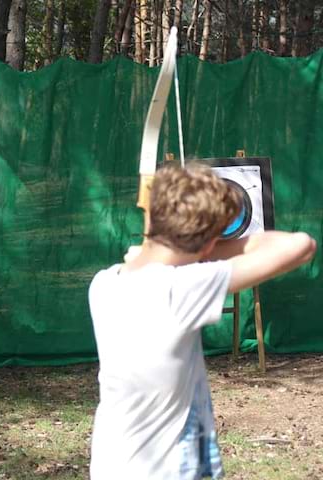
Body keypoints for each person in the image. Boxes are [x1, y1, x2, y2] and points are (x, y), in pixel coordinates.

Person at [88, 163, 316, 480]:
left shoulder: (104, 283)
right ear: (209, 242)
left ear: (151, 216)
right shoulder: (181, 289)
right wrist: (209, 248)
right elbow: (302, 246)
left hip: (112, 463)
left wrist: (193, 246)